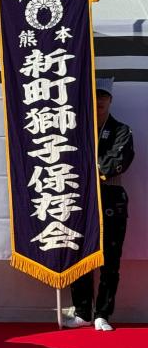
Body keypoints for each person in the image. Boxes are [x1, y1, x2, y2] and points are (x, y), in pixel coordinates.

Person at [64, 78, 134, 332]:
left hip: (110, 200)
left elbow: (116, 163)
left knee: (110, 260)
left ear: (111, 100)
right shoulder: (74, 129)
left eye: (104, 96)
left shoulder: (121, 131)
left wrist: (90, 167)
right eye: (95, 95)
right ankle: (82, 311)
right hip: (80, 200)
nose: (100, 100)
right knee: (80, 257)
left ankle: (103, 313)